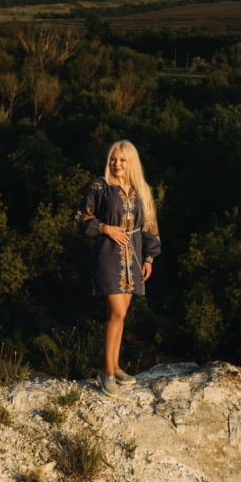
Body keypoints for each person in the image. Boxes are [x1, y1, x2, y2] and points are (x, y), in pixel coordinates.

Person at [76, 140, 161, 397]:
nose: (117, 164)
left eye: (122, 160)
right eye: (113, 159)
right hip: (108, 256)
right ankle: (106, 373)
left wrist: (149, 258)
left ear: (131, 162)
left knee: (122, 316)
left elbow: (150, 224)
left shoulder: (141, 189)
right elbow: (82, 217)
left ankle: (115, 365)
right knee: (116, 312)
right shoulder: (100, 186)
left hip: (133, 256)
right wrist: (105, 228)